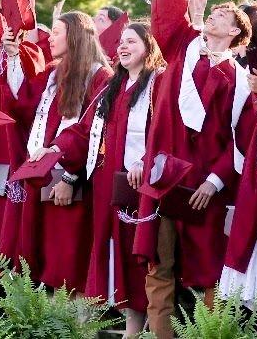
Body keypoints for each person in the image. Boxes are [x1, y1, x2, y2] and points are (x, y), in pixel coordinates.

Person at [137, 0, 250, 339]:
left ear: (237, 31)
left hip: (204, 184)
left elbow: (240, 140)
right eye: (212, 13)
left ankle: (211, 335)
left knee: (209, 275)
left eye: (222, 16)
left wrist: (215, 181)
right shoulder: (183, 48)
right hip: (164, 176)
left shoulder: (239, 79)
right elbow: (168, 6)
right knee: (159, 268)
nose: (214, 17)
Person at [0, 8, 108, 289]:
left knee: (70, 264)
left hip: (75, 179)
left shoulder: (100, 77)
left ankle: (79, 330)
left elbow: (92, 131)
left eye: (57, 32)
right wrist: (12, 56)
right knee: (49, 263)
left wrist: (69, 175)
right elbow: (22, 105)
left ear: (75, 37)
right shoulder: (52, 74)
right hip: (45, 176)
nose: (50, 38)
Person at [84, 20, 163, 337]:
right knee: (109, 249)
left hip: (139, 184)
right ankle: (105, 322)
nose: (123, 46)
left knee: (135, 253)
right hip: (109, 182)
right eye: (120, 42)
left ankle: (134, 328)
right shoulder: (113, 86)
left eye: (131, 41)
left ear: (148, 47)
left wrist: (144, 161)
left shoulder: (157, 83)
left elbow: (163, 133)